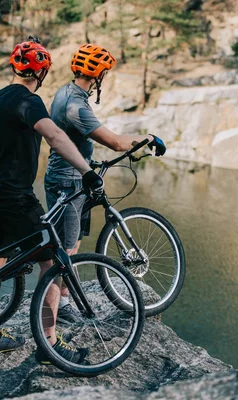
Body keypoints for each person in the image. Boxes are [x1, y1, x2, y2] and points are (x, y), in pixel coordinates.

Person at [0, 37, 103, 364]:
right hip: (13, 196)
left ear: (14, 67)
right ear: (41, 72)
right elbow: (55, 136)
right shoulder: (29, 102)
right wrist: (86, 171)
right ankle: (50, 345)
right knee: (53, 260)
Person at [44, 44, 166, 324]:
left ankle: (61, 298)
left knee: (69, 242)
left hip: (69, 175)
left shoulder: (65, 92)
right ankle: (58, 309)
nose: (106, 78)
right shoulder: (76, 106)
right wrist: (147, 139)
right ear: (97, 75)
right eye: (105, 73)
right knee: (67, 249)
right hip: (69, 180)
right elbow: (115, 142)